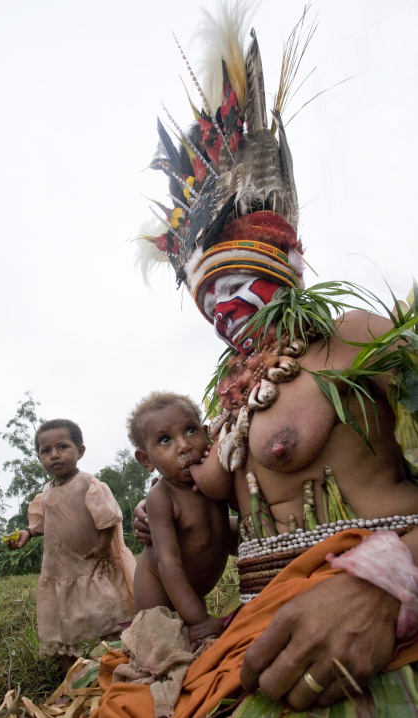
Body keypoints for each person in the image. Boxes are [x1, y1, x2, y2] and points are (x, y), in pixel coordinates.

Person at [92, 5, 418, 717]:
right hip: (257, 639)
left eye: (238, 290)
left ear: (290, 269)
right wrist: (165, 516)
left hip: (378, 628)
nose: (225, 316)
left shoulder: (357, 340)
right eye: (210, 305)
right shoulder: (226, 411)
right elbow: (200, 503)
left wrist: (389, 578)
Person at [7, 418, 136, 671]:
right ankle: (74, 672)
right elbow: (41, 523)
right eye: (46, 451)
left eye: (62, 447)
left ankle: (116, 658)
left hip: (91, 562)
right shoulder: (45, 492)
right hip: (59, 568)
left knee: (103, 610)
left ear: (80, 451)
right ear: (39, 457)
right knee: (65, 618)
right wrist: (27, 533)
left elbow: (107, 517)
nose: (54, 455)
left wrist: (102, 545)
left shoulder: (88, 484)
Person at [128, 391, 235, 650]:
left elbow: (226, 530)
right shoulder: (162, 497)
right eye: (165, 440)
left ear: (207, 433)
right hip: (159, 597)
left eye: (190, 430)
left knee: (198, 651)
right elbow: (168, 563)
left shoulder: (215, 478)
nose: (184, 445)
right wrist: (199, 621)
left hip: (191, 596)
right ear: (145, 459)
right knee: (164, 652)